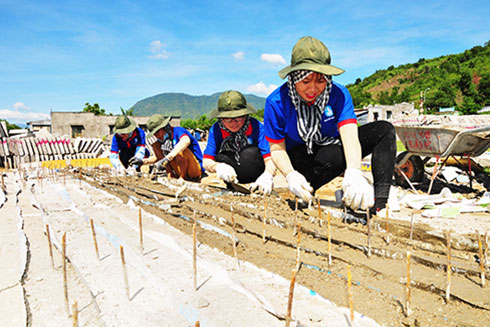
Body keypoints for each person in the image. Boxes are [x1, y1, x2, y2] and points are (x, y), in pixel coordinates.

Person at [263, 36, 396, 220]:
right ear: (294, 78)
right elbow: (277, 148)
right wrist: (290, 174)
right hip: (298, 160)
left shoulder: (339, 94)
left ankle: (379, 204)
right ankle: (304, 188)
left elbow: (350, 136)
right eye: (305, 81)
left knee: (383, 130)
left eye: (320, 80)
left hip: (330, 151)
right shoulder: (276, 102)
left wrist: (354, 171)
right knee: (318, 158)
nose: (313, 88)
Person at [203, 90, 276, 194]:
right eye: (227, 119)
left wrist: (267, 175)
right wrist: (217, 167)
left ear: (245, 115)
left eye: (238, 118)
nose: (233, 123)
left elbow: (270, 159)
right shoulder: (216, 129)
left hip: (257, 176)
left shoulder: (256, 127)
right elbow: (206, 161)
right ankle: (232, 186)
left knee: (250, 152)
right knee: (221, 157)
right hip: (232, 177)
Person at [143, 114, 204, 181]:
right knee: (156, 146)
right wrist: (144, 161)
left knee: (179, 150)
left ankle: (182, 178)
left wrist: (168, 157)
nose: (156, 135)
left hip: (194, 168)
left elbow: (186, 141)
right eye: (154, 133)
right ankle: (171, 175)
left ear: (165, 127)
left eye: (157, 131)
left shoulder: (178, 131)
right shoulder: (162, 141)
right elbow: (158, 157)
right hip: (177, 170)